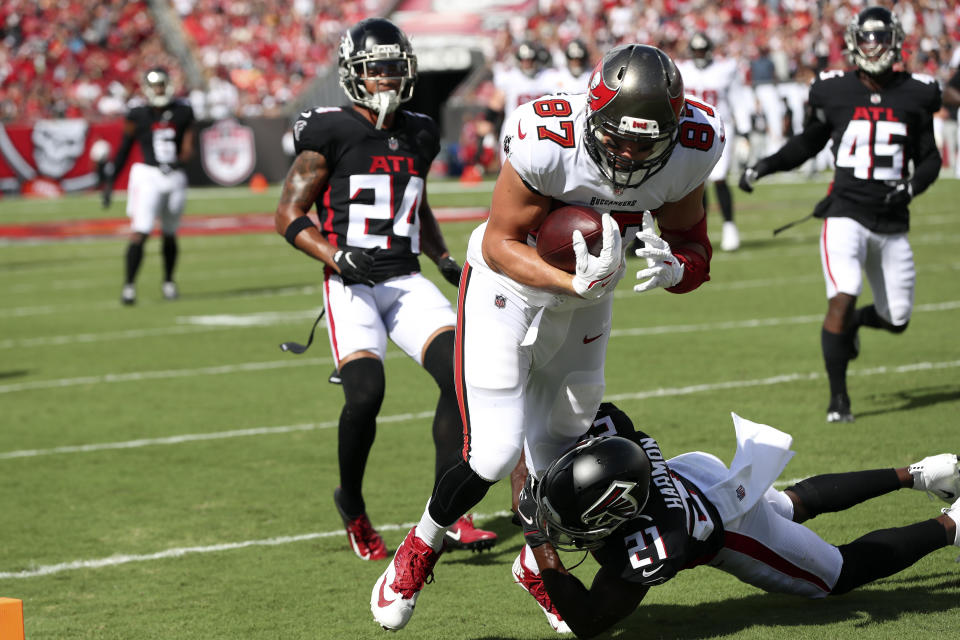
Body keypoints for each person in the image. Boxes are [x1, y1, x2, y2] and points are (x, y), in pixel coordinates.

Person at [371, 43, 723, 630]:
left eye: (646, 142)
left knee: (560, 446)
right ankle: (421, 544)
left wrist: (679, 269)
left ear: (673, 128)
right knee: (495, 451)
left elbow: (696, 249)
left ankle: (536, 562)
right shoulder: (546, 137)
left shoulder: (692, 147)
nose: (631, 153)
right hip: (508, 287)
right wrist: (569, 280)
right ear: (592, 112)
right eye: (619, 137)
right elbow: (497, 243)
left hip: (588, 295)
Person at [273, 18, 497, 562]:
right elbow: (288, 214)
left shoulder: (420, 129)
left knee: (461, 381)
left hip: (404, 278)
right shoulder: (331, 129)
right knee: (366, 396)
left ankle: (452, 509)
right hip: (351, 284)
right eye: (377, 70)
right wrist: (335, 254)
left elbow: (413, 203)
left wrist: (440, 254)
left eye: (396, 68)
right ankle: (351, 502)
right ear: (354, 75)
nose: (388, 80)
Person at [512, 402, 960, 638]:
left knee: (833, 575)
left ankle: (953, 524)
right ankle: (922, 473)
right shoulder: (611, 436)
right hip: (695, 474)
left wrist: (538, 537)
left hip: (725, 522)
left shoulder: (654, 543)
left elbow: (590, 622)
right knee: (787, 505)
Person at [738, 6, 942, 423]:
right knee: (843, 294)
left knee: (897, 319)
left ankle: (854, 326)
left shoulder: (917, 92)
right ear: (852, 42)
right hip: (845, 211)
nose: (873, 46)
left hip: (892, 220)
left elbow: (930, 158)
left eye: (880, 37)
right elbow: (809, 141)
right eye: (866, 38)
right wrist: (764, 165)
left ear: (895, 40)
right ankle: (839, 401)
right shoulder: (833, 90)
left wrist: (912, 186)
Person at [102, 67, 195, 305]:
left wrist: (179, 160)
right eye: (155, 86)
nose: (159, 90)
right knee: (140, 231)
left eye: (162, 85)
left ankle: (169, 282)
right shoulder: (137, 114)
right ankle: (129, 286)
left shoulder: (183, 110)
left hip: (174, 177)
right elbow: (124, 148)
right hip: (148, 175)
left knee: (170, 233)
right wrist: (111, 182)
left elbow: (188, 146)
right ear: (146, 88)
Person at [676, 32, 743, 251]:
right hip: (693, 129)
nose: (699, 55)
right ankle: (700, 231)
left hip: (722, 127)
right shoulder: (683, 69)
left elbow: (737, 98)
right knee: (697, 183)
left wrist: (745, 131)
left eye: (702, 50)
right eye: (696, 51)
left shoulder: (725, 69)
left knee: (720, 178)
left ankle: (729, 226)